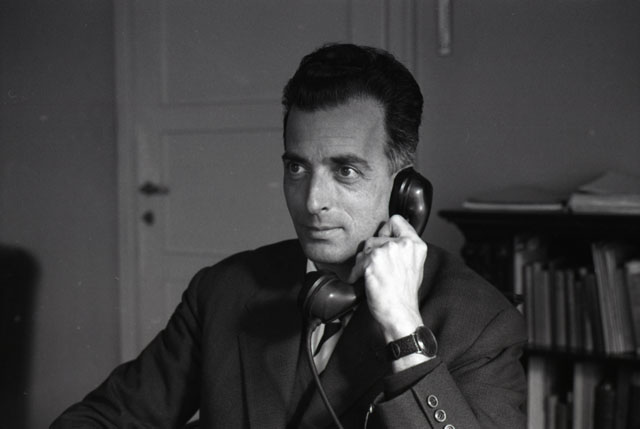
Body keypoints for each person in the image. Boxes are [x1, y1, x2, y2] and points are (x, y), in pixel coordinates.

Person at [52, 43, 527, 429]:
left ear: (406, 189)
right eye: (297, 167)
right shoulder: (223, 291)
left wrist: (405, 333)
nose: (313, 200)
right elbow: (99, 419)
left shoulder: (478, 323)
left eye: (345, 171)